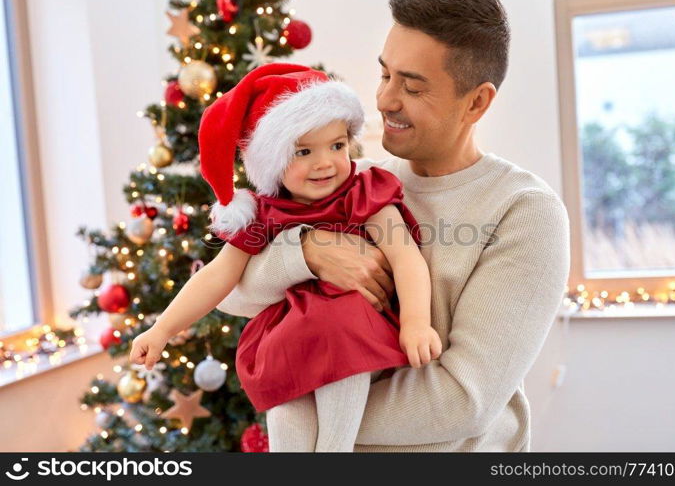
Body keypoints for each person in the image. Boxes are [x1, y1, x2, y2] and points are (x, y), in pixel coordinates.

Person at [217, 0, 571, 452]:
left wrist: (303, 409)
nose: (384, 100)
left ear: (477, 103)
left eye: (412, 85)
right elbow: (233, 295)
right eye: (384, 74)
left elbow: (463, 399)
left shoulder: (524, 213)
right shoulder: (354, 181)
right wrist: (307, 252)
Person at [128, 62, 442, 452]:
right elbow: (217, 276)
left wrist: (416, 322)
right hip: (289, 337)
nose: (325, 162)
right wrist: (162, 330)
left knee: (339, 396)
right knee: (285, 410)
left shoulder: (364, 194)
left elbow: (406, 257)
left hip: (352, 334)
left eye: (338, 146)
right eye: (304, 151)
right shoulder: (261, 214)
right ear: (272, 159)